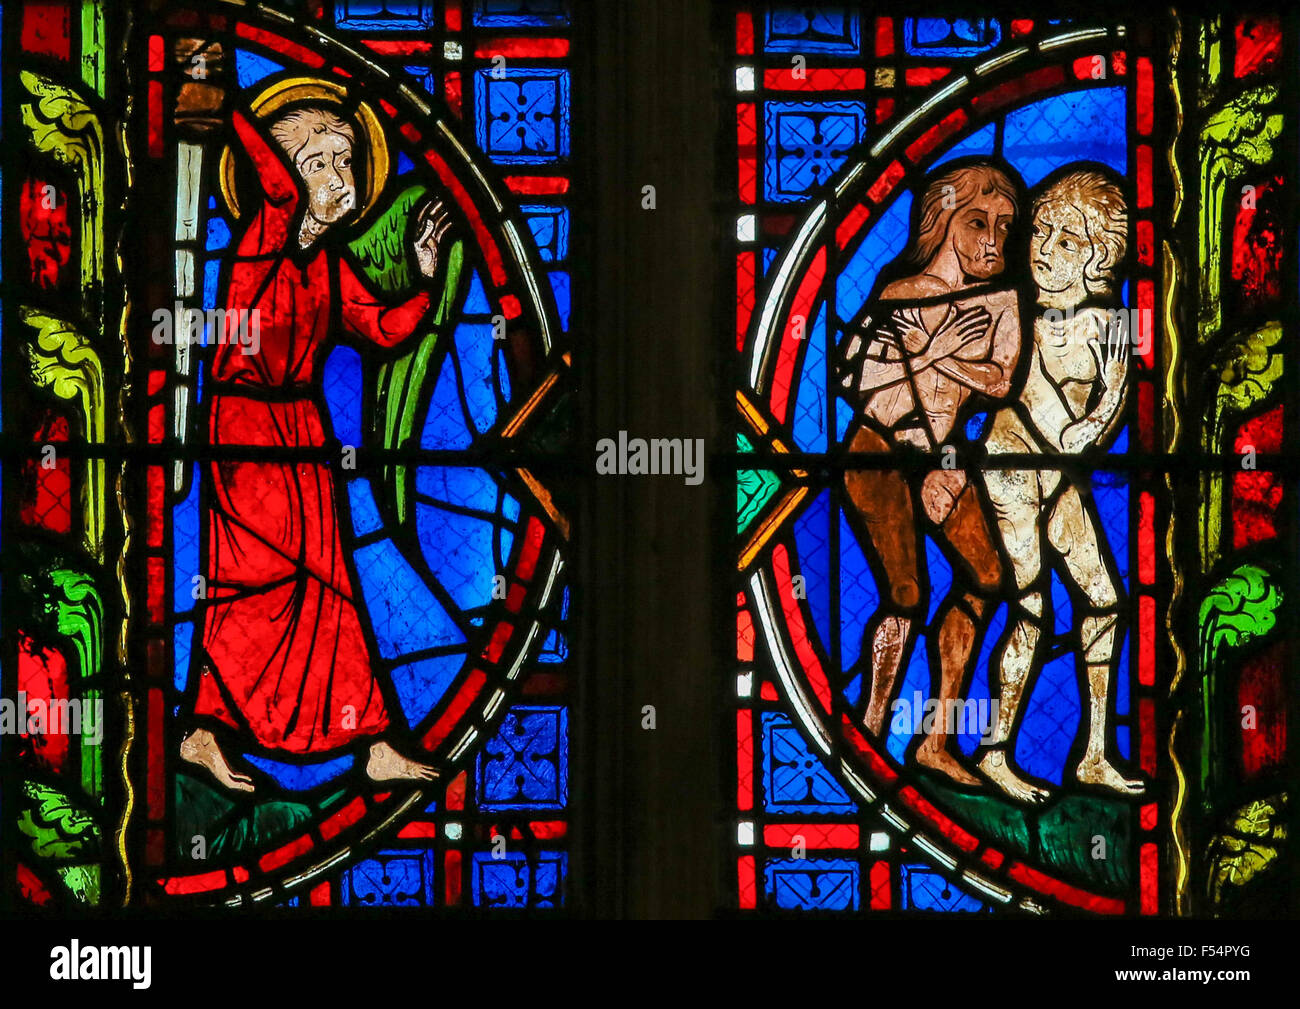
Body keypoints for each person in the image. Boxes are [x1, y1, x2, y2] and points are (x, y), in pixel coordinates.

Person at [180, 100, 453, 792]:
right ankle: (206, 733)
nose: (342, 177)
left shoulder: (327, 266)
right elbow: (271, 175)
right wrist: (223, 96)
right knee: (250, 588)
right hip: (244, 431)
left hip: (302, 431)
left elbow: (383, 329)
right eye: (320, 163)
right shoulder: (265, 235)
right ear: (289, 180)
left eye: (347, 160)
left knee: (329, 588)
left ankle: (368, 742)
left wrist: (422, 275)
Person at [837, 159, 1023, 786]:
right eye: (978, 222)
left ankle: (936, 737)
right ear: (943, 220)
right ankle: (869, 724)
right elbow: (855, 379)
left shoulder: (1002, 302)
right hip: (880, 449)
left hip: (941, 458)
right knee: (906, 593)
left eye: (1004, 225)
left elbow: (1000, 379)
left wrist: (939, 357)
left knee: (988, 575)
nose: (994, 240)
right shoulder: (896, 296)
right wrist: (939, 349)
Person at [976, 166, 1145, 803]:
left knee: (1104, 601)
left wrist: (1093, 431)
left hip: (1059, 476)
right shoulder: (1018, 312)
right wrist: (1066, 441)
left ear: (1100, 255)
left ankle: (1095, 753)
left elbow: (1115, 398)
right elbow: (1021, 398)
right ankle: (994, 752)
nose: (1045, 250)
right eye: (1041, 232)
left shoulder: (1114, 324)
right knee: (1032, 609)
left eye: (1068, 241)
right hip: (1013, 467)